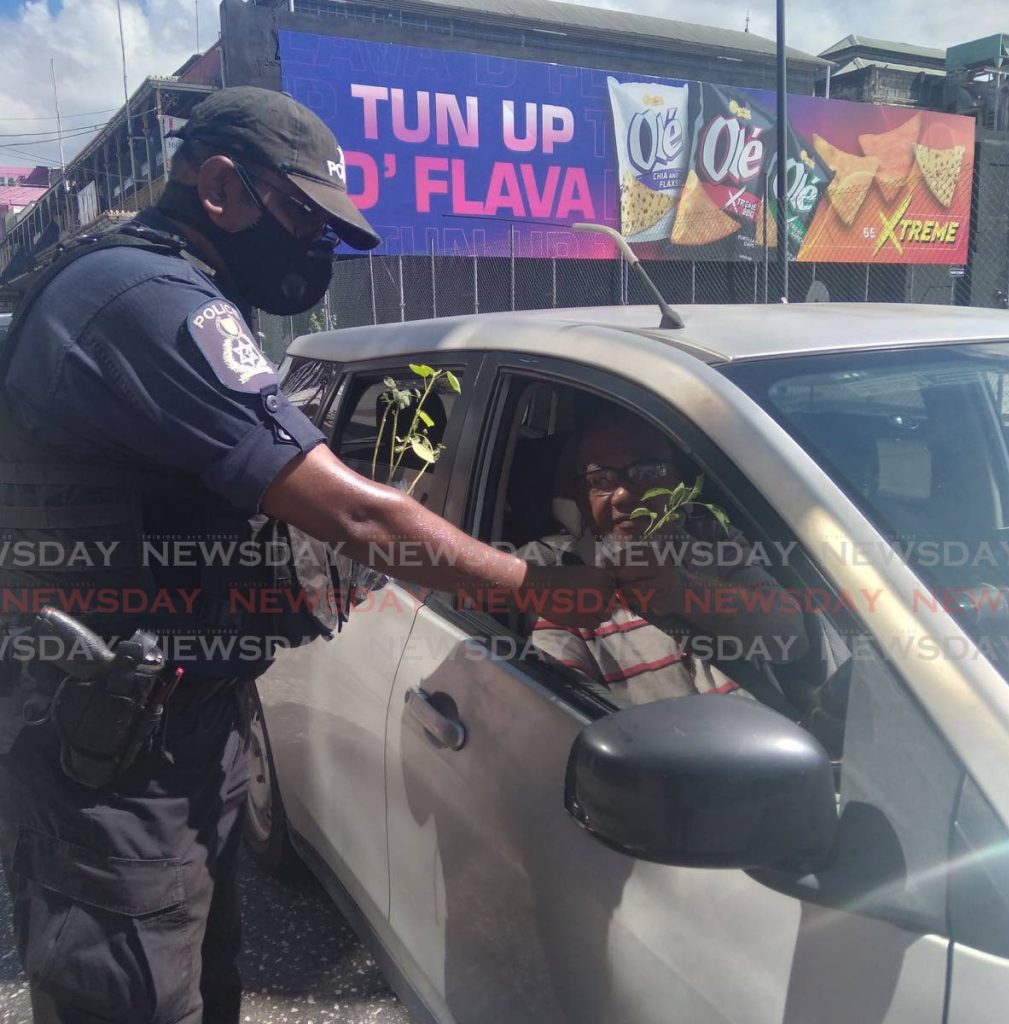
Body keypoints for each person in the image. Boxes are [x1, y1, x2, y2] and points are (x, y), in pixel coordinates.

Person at [0, 87, 612, 1024]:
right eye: (303, 217)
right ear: (219, 188)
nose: (316, 248)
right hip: (110, 754)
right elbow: (355, 517)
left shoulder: (173, 287)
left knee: (204, 989)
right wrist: (537, 586)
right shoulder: (145, 299)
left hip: (170, 718)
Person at [521, 410, 808, 706]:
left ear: (675, 482)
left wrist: (684, 591)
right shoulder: (561, 584)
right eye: (601, 479)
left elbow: (792, 639)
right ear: (583, 498)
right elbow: (566, 714)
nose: (623, 496)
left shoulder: (713, 538)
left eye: (647, 472)